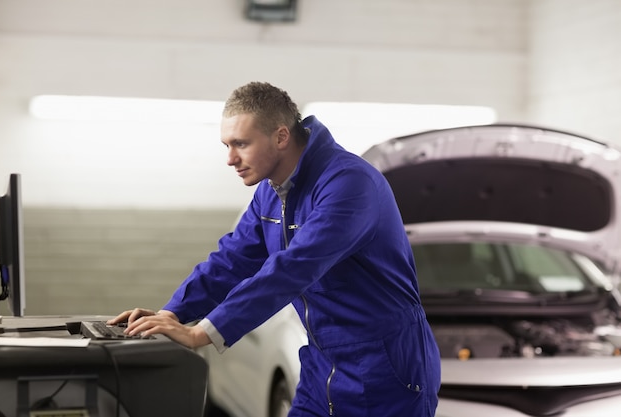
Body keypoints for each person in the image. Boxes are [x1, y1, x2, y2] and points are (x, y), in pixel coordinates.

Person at [109, 81, 441, 416]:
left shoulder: (349, 184)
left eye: (241, 144)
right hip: (321, 363)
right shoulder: (270, 193)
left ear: (281, 137)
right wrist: (171, 313)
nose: (230, 159)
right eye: (227, 145)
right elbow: (230, 260)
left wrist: (203, 333)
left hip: (384, 367)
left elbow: (294, 267)